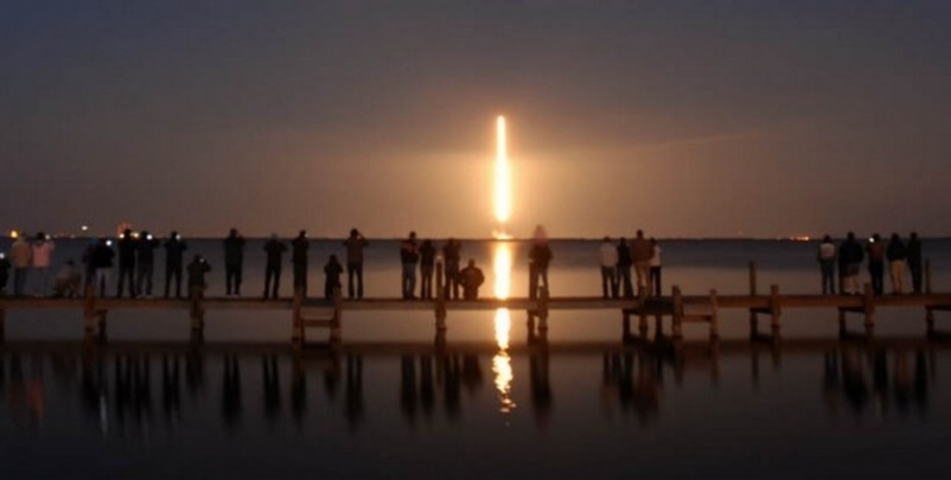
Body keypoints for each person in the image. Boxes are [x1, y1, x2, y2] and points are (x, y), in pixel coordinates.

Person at [343, 228, 369, 299]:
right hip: (358, 262)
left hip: (351, 261)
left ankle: (351, 295)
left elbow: (343, 243)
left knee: (351, 279)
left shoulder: (349, 241)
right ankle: (359, 295)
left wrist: (350, 237)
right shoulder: (359, 241)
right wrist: (361, 235)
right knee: (359, 279)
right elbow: (367, 243)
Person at [528, 226, 553, 300]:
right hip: (540, 265)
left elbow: (531, 255)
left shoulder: (542, 245)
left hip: (541, 265)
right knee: (541, 279)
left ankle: (543, 293)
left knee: (542, 278)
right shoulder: (541, 245)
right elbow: (531, 255)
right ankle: (539, 294)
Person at [136, 231, 160, 297]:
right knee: (148, 279)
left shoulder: (139, 242)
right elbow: (157, 244)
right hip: (148, 262)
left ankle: (139, 292)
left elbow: (135, 246)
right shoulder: (149, 242)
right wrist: (153, 237)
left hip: (142, 262)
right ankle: (148, 292)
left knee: (140, 278)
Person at [164, 231, 188, 299]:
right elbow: (185, 247)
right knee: (177, 279)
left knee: (169, 279)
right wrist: (181, 241)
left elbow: (184, 248)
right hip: (176, 263)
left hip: (171, 263)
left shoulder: (170, 243)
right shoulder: (177, 243)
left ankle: (167, 294)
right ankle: (177, 294)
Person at [263, 234, 287, 300]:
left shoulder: (269, 244)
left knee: (268, 279)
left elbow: (264, 248)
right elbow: (285, 249)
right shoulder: (279, 244)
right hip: (277, 264)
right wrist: (281, 242)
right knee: (276, 280)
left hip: (270, 264)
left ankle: (266, 293)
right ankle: (275, 293)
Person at [223, 228, 246, 296]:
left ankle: (229, 291)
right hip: (236, 262)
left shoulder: (228, 240)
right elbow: (243, 242)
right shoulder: (237, 240)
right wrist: (241, 236)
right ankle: (236, 291)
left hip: (230, 261)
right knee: (236, 278)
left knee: (229, 277)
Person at [630, 230, 653, 297]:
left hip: (638, 261)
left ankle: (640, 292)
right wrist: (648, 257)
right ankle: (649, 292)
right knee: (647, 278)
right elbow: (652, 252)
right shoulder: (647, 242)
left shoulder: (634, 242)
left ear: (637, 234)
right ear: (642, 234)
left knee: (639, 278)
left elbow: (631, 252)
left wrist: (633, 259)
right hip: (646, 261)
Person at [116, 228, 137, 298]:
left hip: (123, 262)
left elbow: (119, 246)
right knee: (130, 279)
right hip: (130, 262)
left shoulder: (122, 242)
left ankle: (119, 293)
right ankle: (132, 293)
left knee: (122, 278)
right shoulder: (132, 242)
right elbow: (136, 247)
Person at [400, 231, 420, 300]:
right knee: (412, 279)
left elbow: (402, 253)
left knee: (405, 279)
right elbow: (414, 253)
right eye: (414, 237)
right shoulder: (411, 244)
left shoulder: (405, 244)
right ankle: (409, 294)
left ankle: (405, 294)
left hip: (406, 263)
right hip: (410, 263)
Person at [292, 230, 309, 296]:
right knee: (303, 278)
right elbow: (307, 246)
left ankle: (297, 292)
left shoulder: (296, 241)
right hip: (302, 262)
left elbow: (293, 243)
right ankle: (303, 293)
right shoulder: (304, 242)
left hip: (297, 261)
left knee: (297, 278)